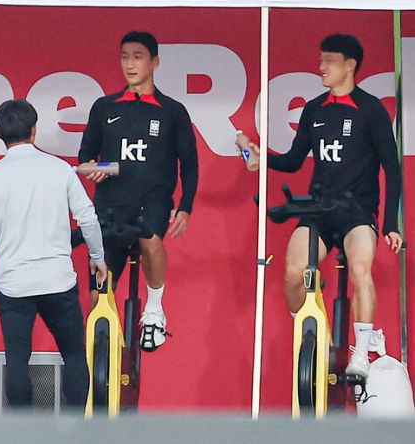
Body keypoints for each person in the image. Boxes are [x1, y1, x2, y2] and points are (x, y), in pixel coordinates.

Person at [238, 34, 402, 381]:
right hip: (318, 210)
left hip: (358, 212)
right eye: (321, 59)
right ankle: (314, 335)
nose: (321, 67)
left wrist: (390, 224)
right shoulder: (314, 109)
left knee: (360, 268)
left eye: (329, 60)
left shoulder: (371, 110)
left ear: (349, 65)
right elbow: (294, 161)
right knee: (292, 273)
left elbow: (392, 167)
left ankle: (361, 353)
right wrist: (260, 157)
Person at [0, 99, 106, 410]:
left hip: (13, 285)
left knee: (17, 359)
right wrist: (98, 258)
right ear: (34, 130)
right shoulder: (60, 169)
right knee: (74, 354)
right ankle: (76, 429)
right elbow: (87, 218)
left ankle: (23, 432)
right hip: (58, 280)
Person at [78, 31, 199, 352]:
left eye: (137, 57)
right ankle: (103, 359)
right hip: (110, 206)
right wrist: (94, 168)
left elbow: (189, 164)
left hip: (152, 203)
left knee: (150, 236)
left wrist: (185, 207)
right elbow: (85, 157)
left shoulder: (172, 111)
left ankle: (155, 310)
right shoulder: (104, 107)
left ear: (154, 62)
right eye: (124, 57)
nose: (130, 64)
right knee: (96, 297)